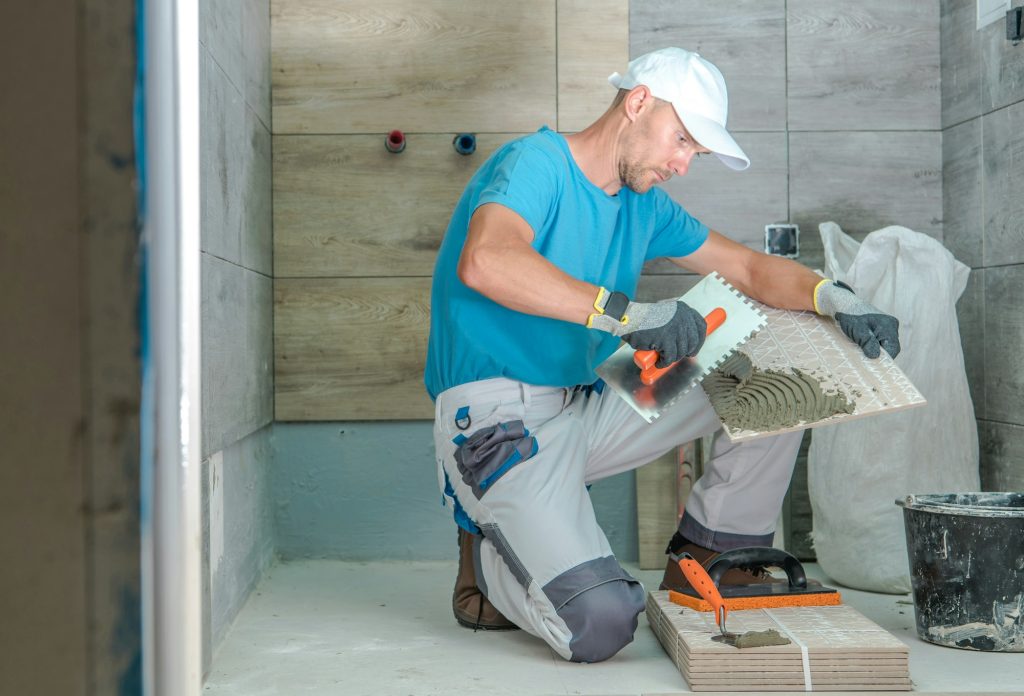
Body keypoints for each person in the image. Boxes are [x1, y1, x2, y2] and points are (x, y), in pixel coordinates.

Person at [424, 47, 900, 663]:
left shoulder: (643, 202)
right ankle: (487, 563)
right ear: (638, 102)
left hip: (587, 404)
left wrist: (829, 295)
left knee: (773, 347)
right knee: (601, 623)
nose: (682, 163)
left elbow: (749, 269)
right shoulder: (534, 164)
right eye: (682, 141)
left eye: (694, 154)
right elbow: (488, 261)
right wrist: (633, 316)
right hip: (497, 425)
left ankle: (710, 553)